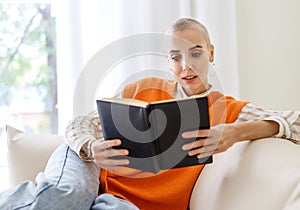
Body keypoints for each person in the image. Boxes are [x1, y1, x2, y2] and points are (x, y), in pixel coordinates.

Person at [1, 17, 299, 210]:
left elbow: (296, 121)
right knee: (68, 195)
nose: (186, 66)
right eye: (176, 57)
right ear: (168, 62)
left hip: (119, 202)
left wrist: (235, 132)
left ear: (210, 52)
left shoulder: (229, 109)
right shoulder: (142, 88)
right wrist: (92, 148)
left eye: (195, 53)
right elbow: (80, 123)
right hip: (85, 164)